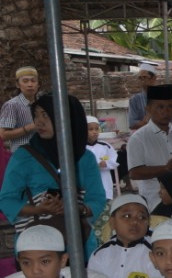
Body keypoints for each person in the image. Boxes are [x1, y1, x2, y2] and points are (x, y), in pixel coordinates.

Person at [0, 92, 107, 255]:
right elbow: (6, 200)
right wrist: (38, 210)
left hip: (79, 246)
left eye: (46, 115)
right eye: (36, 115)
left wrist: (75, 209)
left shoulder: (85, 158)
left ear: (68, 118)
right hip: (36, 248)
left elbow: (97, 199)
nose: (39, 122)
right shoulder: (24, 156)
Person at [124, 85, 172, 209]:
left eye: (170, 106)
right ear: (148, 109)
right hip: (154, 204)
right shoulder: (138, 138)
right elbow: (134, 173)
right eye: (160, 107)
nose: (166, 111)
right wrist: (168, 168)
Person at [88, 194, 160, 278]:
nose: (135, 221)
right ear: (112, 222)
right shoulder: (99, 255)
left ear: (148, 223)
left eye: (142, 217)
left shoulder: (157, 253)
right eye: (127, 216)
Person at [0, 65, 40, 151]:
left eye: (33, 81)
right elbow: (3, 135)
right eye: (25, 81)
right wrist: (29, 127)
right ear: (18, 84)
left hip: (41, 154)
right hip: (22, 154)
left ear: (38, 84)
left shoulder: (40, 104)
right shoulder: (12, 105)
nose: (30, 84)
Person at [85, 115, 118, 197]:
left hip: (104, 183)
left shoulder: (105, 146)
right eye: (91, 129)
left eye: (96, 129)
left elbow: (113, 159)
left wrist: (106, 164)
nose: (94, 132)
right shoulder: (80, 148)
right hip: (87, 184)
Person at [125, 63, 157, 131]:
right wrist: (145, 121)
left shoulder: (164, 97)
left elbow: (171, 121)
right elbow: (132, 125)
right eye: (140, 78)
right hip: (142, 137)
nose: (142, 80)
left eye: (145, 77)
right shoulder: (134, 100)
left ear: (154, 78)